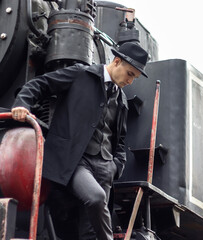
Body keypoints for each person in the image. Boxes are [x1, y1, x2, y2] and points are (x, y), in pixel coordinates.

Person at [11, 42, 149, 240]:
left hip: (105, 167)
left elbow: (119, 140)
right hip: (76, 161)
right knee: (96, 198)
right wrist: (22, 105)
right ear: (117, 61)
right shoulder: (81, 75)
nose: (130, 81)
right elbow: (40, 84)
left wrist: (116, 166)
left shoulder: (122, 100)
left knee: (90, 232)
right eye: (130, 74)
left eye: (134, 78)